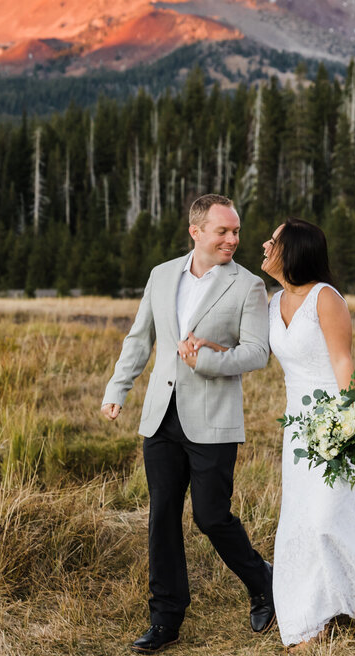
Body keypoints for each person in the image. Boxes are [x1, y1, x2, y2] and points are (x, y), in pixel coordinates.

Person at [189, 217, 355, 648]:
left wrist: (349, 424)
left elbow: (344, 363)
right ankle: (311, 615)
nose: (264, 245)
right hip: (298, 425)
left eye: (274, 241)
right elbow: (258, 352)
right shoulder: (273, 303)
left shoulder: (326, 299)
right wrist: (207, 346)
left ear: (295, 251)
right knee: (300, 521)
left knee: (328, 517)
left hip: (337, 416)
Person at [101, 194, 275, 654]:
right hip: (160, 415)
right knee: (161, 517)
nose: (233, 240)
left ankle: (262, 583)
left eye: (236, 231)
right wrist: (117, 390)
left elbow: (259, 352)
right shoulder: (161, 275)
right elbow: (140, 338)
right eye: (223, 231)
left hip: (214, 418)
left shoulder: (248, 286)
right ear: (196, 231)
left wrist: (207, 361)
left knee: (211, 516)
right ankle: (165, 620)